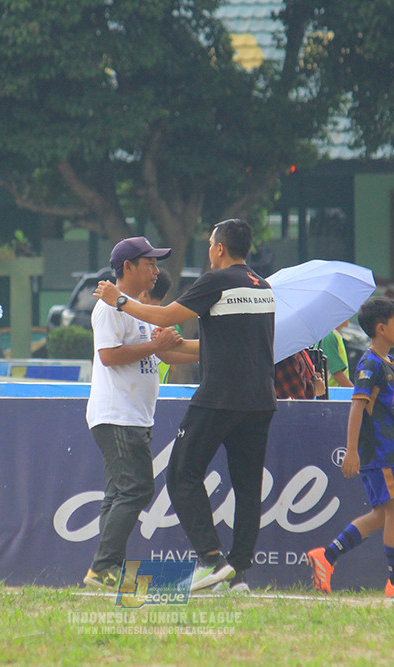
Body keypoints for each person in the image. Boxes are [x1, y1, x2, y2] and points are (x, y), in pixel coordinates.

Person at [94, 219, 276, 593]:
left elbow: (164, 316)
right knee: (247, 488)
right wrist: (167, 346)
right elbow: (217, 346)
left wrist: (121, 300)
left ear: (220, 248)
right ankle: (237, 574)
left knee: (180, 474)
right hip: (260, 401)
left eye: (211, 244)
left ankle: (211, 559)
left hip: (219, 398)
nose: (209, 250)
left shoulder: (215, 282)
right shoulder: (264, 286)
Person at [307, 296, 394, 598]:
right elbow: (358, 406)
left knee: (385, 514)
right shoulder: (370, 364)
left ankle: (326, 557)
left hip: (392, 451)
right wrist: (351, 450)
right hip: (379, 453)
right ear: (381, 329)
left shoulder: (389, 363)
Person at [82, 237, 191, 588]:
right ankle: (102, 567)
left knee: (119, 493)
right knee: (139, 489)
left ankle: (106, 569)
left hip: (131, 417)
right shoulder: (108, 308)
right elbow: (109, 356)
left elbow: (162, 355)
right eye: (149, 264)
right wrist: (154, 345)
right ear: (127, 267)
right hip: (118, 416)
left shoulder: (134, 308)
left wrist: (187, 348)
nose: (156, 271)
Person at [318, 320, 354, 388]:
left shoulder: (335, 335)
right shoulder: (328, 337)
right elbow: (337, 373)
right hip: (330, 393)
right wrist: (353, 392)